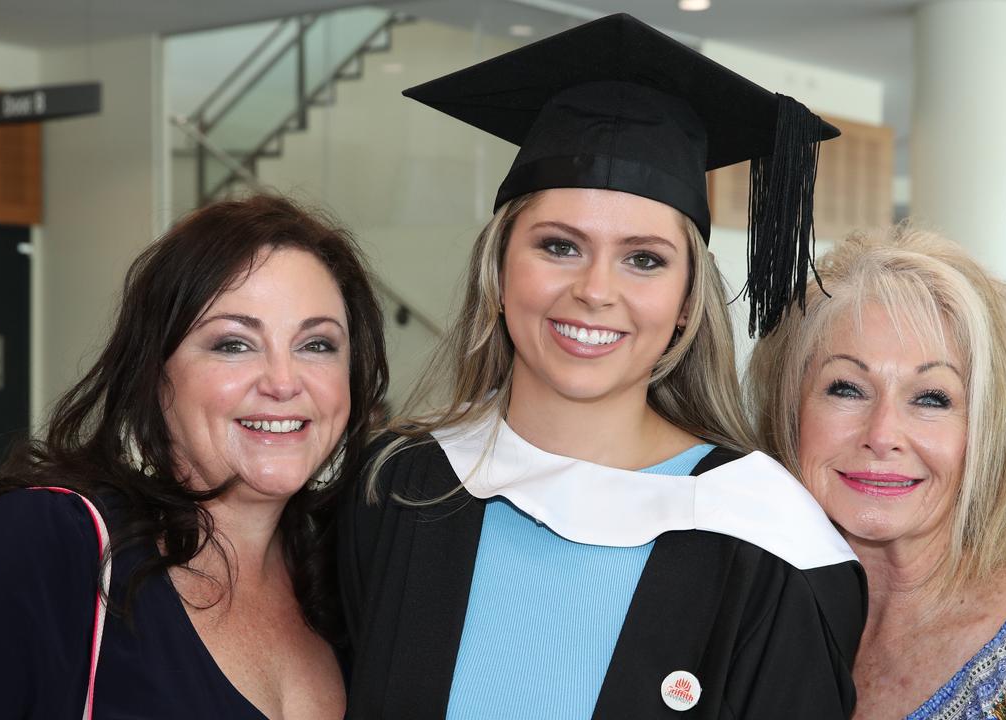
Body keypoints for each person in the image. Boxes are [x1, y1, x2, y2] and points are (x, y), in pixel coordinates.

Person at [341, 14, 866, 720]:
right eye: (559, 246)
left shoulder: (766, 541)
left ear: (686, 301)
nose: (595, 290)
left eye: (644, 259)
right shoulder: (398, 489)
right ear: (498, 270)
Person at [0, 194, 388, 719]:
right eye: (233, 344)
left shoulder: (356, 578)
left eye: (317, 344)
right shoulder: (53, 544)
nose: (283, 382)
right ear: (156, 377)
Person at [749, 225, 1006, 719]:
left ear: (986, 433)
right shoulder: (745, 623)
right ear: (788, 412)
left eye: (932, 398)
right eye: (846, 388)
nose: (883, 432)